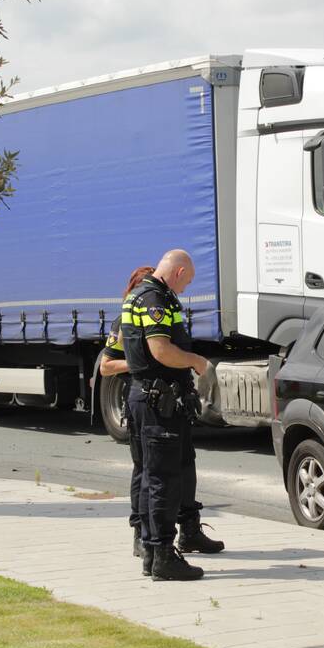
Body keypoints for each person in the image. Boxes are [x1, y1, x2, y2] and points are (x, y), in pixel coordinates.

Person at [120, 249, 223, 581]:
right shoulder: (154, 299)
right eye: (187, 282)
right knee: (163, 479)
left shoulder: (139, 295)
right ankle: (163, 555)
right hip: (157, 399)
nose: (184, 289)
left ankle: (153, 552)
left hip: (148, 397)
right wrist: (196, 362)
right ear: (178, 271)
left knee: (156, 476)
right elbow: (160, 350)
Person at [99, 265, 154, 559]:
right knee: (143, 468)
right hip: (138, 399)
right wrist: (139, 365)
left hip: (162, 402)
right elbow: (106, 366)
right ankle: (139, 534)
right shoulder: (124, 321)